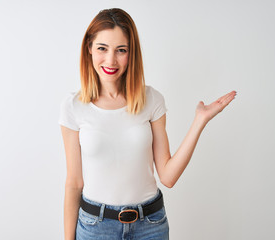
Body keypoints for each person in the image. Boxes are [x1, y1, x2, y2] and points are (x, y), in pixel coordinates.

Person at [59, 8, 236, 240]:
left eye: (121, 50)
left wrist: (199, 121)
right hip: (95, 228)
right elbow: (74, 183)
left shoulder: (152, 100)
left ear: (131, 54)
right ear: (89, 48)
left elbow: (168, 177)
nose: (111, 60)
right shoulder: (73, 106)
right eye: (102, 48)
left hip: (149, 226)